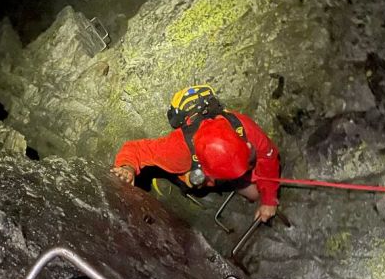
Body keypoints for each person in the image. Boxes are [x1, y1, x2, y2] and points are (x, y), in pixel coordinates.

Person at [110, 85, 280, 222]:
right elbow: (137, 149)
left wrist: (269, 199)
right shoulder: (178, 149)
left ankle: (238, 182)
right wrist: (128, 167)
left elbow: (268, 156)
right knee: (193, 184)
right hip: (192, 171)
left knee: (255, 194)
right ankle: (173, 182)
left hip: (212, 171)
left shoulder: (242, 125)